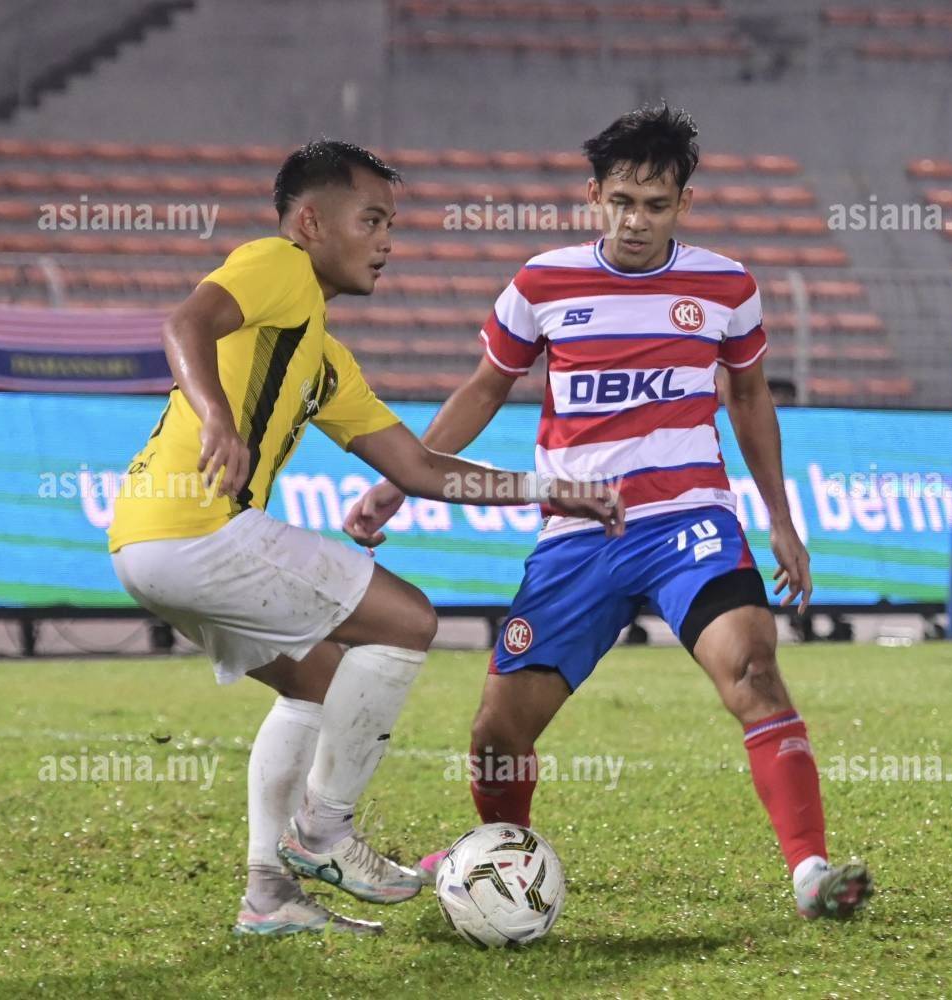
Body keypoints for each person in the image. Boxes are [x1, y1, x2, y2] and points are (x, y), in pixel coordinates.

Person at [344, 107, 872, 919]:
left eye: (655, 205)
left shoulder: (727, 286)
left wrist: (781, 519)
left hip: (690, 524)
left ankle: (810, 872)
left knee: (755, 672)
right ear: (594, 195)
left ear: (684, 204)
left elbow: (749, 399)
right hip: (577, 535)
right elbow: (485, 389)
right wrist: (400, 480)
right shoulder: (541, 284)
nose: (635, 221)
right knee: (496, 736)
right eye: (621, 201)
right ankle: (501, 858)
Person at [106, 140, 624, 938]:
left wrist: (548, 489)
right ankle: (323, 834)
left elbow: (418, 467)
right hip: (196, 529)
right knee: (407, 618)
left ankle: (268, 895)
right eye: (371, 220)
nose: (386, 241)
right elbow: (187, 322)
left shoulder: (320, 354)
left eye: (391, 224)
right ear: (311, 223)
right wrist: (216, 418)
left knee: (316, 679)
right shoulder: (278, 264)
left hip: (143, 546)